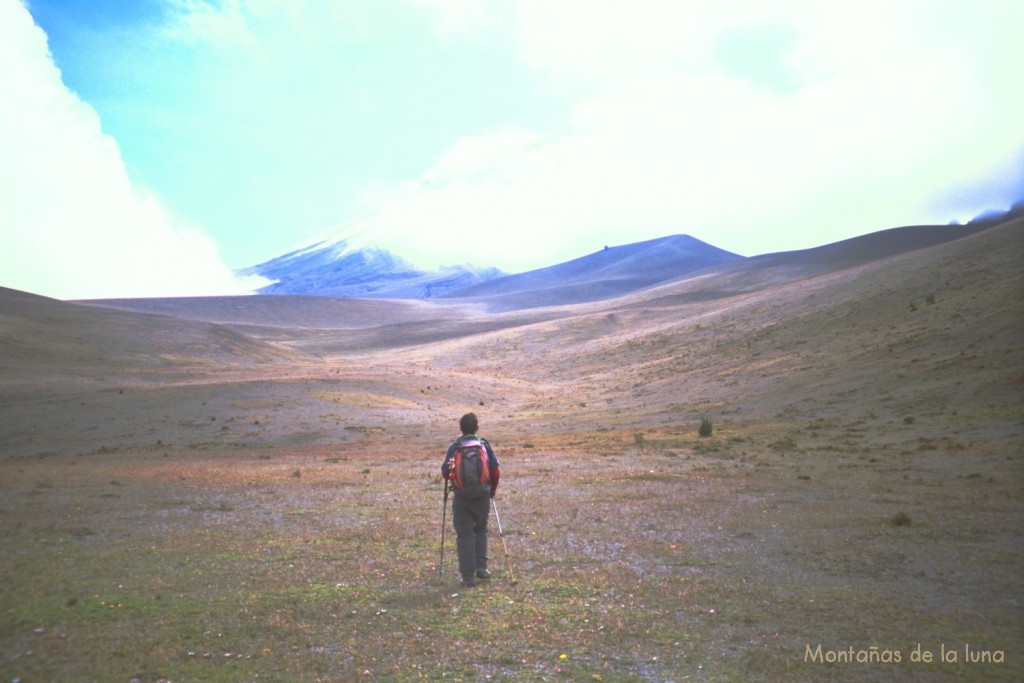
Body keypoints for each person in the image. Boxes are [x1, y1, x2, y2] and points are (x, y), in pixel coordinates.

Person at [441, 412, 500, 587]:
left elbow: (446, 473)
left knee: (465, 534)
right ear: (477, 428)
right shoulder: (484, 446)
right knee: (480, 529)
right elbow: (495, 471)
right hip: (482, 496)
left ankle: (468, 577)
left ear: (461, 429)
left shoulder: (454, 448)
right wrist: (492, 491)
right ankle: (481, 568)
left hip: (461, 497)